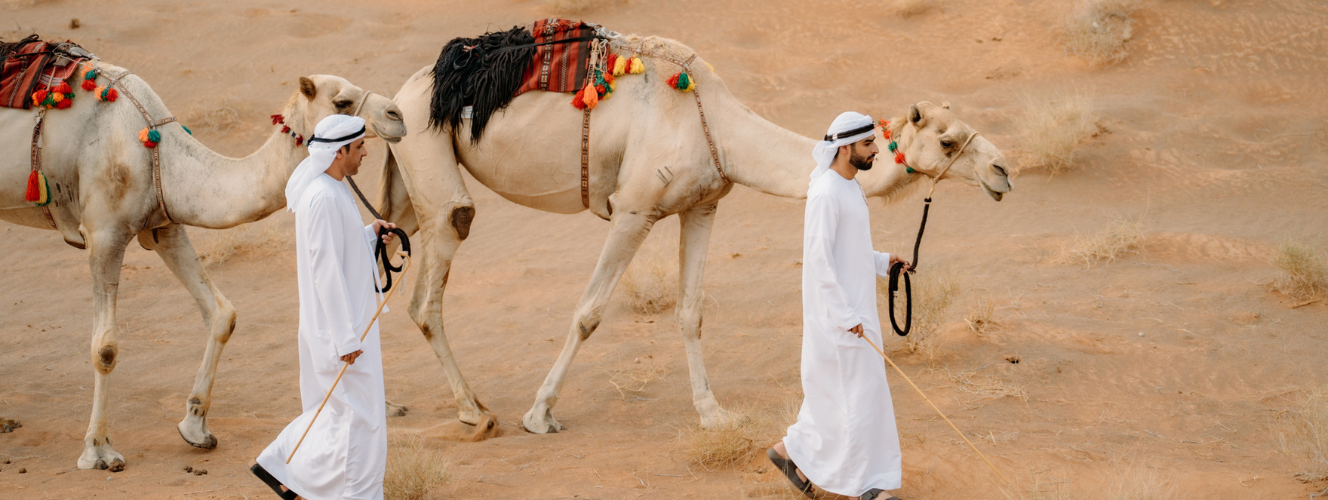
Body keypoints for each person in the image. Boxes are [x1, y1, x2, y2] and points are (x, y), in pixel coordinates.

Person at [251, 114, 397, 500]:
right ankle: (285, 466)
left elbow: (339, 250)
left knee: (345, 417)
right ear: (339, 152)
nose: (365, 153)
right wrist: (344, 338)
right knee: (360, 421)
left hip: (350, 326)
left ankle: (289, 473)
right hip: (340, 332)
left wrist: (369, 235)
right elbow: (325, 271)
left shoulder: (333, 189)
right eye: (360, 146)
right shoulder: (322, 197)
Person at [768, 111, 909, 500]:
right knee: (856, 399)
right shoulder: (826, 193)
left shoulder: (849, 187)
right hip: (840, 319)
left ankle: (787, 452)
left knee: (839, 398)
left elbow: (850, 249)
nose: (875, 150)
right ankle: (866, 488)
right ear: (845, 148)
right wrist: (845, 316)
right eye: (868, 144)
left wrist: (883, 262)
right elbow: (818, 261)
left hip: (856, 314)